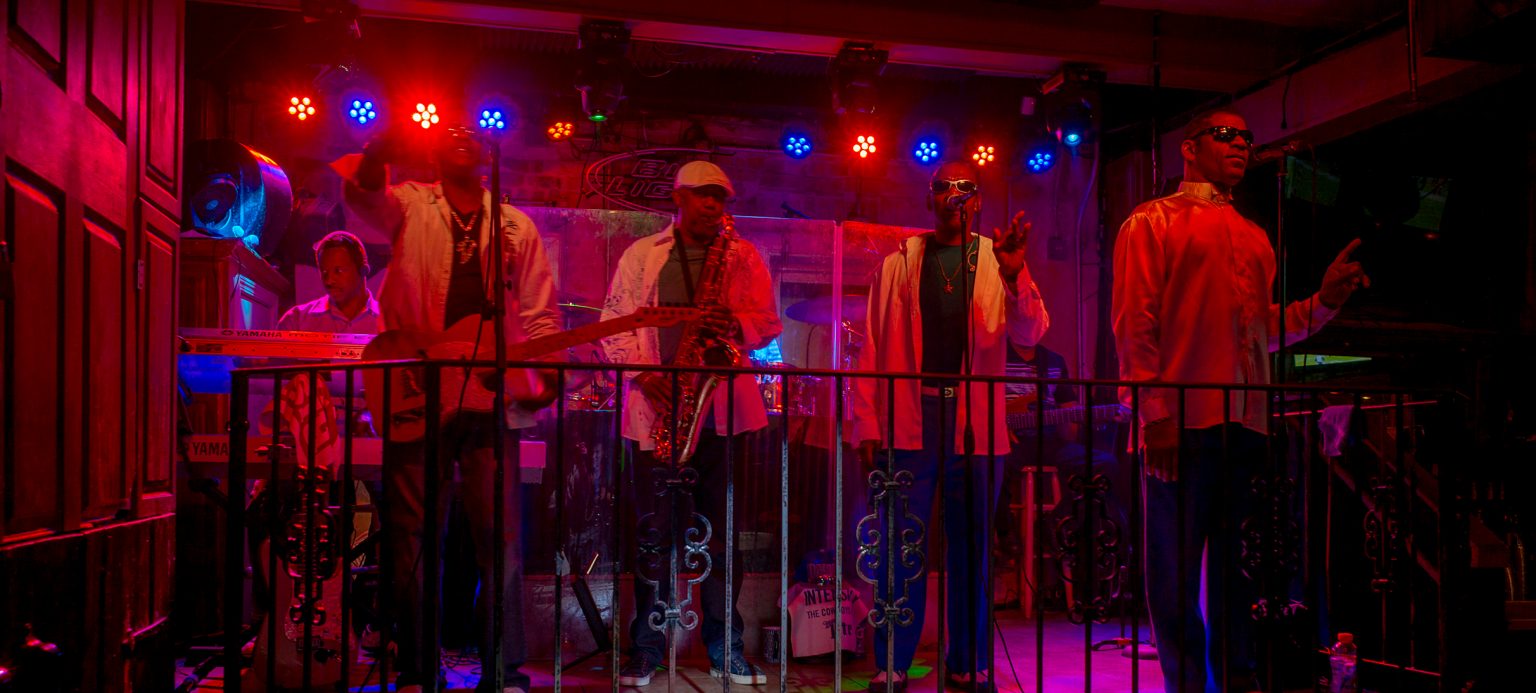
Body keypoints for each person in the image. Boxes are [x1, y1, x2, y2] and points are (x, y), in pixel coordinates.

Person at [1111, 108, 1369, 692]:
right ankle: (1186, 683)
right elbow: (1135, 321)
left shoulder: (1254, 235)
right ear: (1189, 147)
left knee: (1239, 567)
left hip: (1245, 421)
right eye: (1226, 135)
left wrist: (1324, 301)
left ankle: (1235, 677)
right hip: (1181, 420)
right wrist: (1155, 414)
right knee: (1174, 568)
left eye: (1247, 138)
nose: (1241, 145)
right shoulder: (1151, 220)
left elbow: (1260, 331)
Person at [335, 125, 562, 693]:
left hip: (489, 396)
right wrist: (377, 152)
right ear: (436, 152)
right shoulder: (411, 204)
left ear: (487, 153)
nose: (463, 137)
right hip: (417, 383)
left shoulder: (515, 225)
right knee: (412, 533)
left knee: (499, 537)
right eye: (451, 132)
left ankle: (503, 669)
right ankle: (419, 667)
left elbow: (538, 312)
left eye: (472, 133)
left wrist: (547, 373)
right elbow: (364, 198)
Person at [851, 160, 1050, 691]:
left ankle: (968, 662)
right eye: (944, 186)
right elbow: (871, 345)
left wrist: (1014, 274)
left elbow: (1030, 336)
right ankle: (892, 661)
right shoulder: (898, 263)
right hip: (909, 418)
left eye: (965, 187)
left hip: (974, 420)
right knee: (900, 543)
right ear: (930, 196)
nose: (954, 194)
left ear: (977, 199)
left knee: (972, 546)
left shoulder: (997, 258)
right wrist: (866, 420)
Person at [600, 160, 781, 687]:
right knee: (653, 537)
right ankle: (646, 648)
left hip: (721, 415)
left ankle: (726, 649)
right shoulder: (642, 254)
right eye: (703, 195)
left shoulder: (742, 255)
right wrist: (643, 374)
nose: (712, 205)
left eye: (720, 197)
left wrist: (737, 323)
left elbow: (768, 321)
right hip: (659, 410)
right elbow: (614, 322)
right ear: (677, 198)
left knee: (722, 538)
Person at [277, 230, 380, 334]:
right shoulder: (295, 321)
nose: (329, 281)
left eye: (338, 271)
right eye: (324, 273)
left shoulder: (387, 321)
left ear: (363, 270)